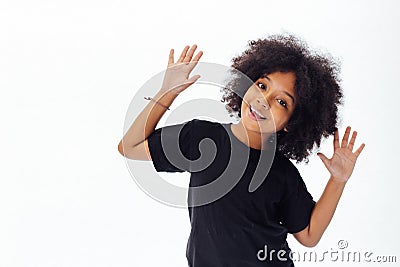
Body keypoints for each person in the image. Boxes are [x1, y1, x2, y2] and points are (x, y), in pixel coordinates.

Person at [117, 34, 365, 266]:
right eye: (262, 85)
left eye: (282, 102)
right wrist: (167, 92)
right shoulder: (200, 137)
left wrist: (338, 179)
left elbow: (309, 235)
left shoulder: (282, 174)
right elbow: (130, 146)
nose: (263, 101)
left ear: (292, 123)